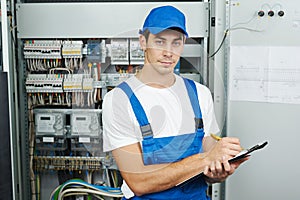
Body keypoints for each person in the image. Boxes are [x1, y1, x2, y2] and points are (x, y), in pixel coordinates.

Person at [102, 5, 248, 200]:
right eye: (160, 42)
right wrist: (205, 159)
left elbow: (208, 160)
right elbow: (139, 182)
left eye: (176, 43)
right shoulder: (119, 101)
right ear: (143, 41)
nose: (168, 52)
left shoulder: (200, 94)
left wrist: (219, 171)